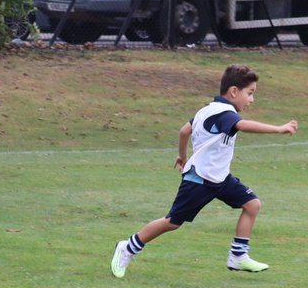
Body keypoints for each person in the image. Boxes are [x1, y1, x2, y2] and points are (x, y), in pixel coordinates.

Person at [111, 64, 298, 277]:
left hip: (219, 177)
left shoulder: (207, 110)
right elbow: (244, 126)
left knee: (252, 204)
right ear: (234, 91)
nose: (252, 100)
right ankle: (128, 247)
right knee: (172, 222)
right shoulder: (224, 113)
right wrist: (279, 128)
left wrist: (182, 155)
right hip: (200, 179)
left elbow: (184, 130)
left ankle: (238, 256)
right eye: (250, 93)